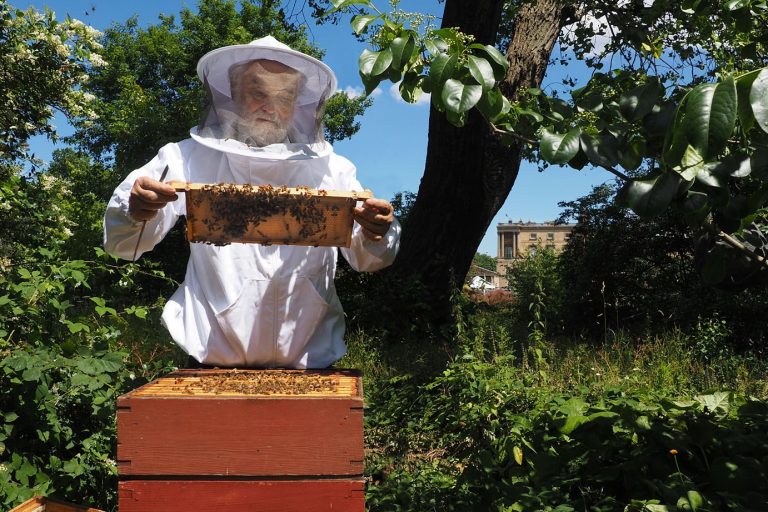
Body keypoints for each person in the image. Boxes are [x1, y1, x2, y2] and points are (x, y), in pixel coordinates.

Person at [104, 36, 400, 369]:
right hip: (210, 363)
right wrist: (135, 211)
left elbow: (370, 260)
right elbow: (121, 244)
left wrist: (377, 231)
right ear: (233, 94)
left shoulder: (333, 169)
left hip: (310, 365)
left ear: (297, 105)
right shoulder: (183, 158)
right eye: (257, 92)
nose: (270, 107)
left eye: (284, 96)